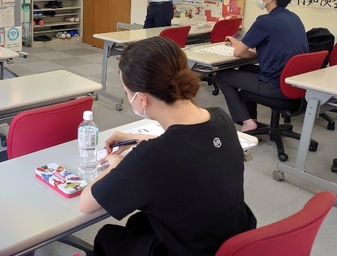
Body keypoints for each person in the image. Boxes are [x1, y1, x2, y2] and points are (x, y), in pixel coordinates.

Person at [79, 37, 256, 256]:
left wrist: (116, 165)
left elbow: (87, 203)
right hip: (232, 240)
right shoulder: (221, 119)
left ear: (141, 99)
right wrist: (135, 138)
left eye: (127, 93)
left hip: (192, 251)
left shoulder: (150, 158)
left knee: (108, 236)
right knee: (139, 222)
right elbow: (184, 145)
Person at [215, 0, 309, 132]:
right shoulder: (294, 18)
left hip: (275, 85)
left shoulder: (265, 21)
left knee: (222, 75)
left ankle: (247, 122)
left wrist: (239, 47)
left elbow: (238, 53)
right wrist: (240, 45)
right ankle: (252, 119)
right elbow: (264, 52)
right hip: (294, 84)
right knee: (246, 69)